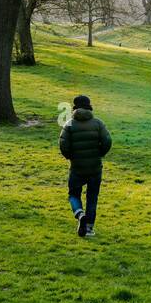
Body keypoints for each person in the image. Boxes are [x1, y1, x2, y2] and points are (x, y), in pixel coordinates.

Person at [59, 94, 112, 238]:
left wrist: (71, 157)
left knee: (73, 194)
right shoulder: (98, 123)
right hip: (95, 168)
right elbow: (107, 141)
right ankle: (89, 228)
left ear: (75, 108)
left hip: (77, 168)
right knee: (92, 197)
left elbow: (63, 144)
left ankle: (79, 213)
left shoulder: (69, 124)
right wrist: (100, 154)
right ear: (89, 107)